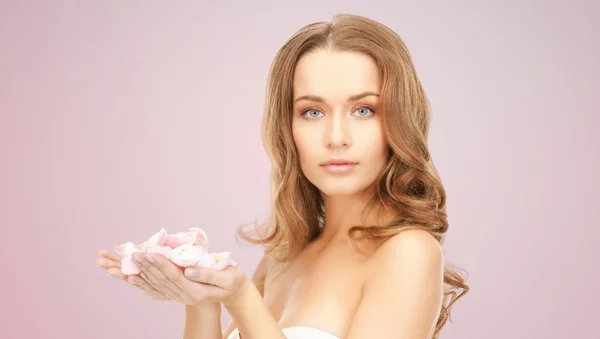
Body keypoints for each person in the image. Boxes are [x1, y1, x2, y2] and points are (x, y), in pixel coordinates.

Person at [95, 13, 469, 339]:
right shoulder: (283, 256)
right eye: (312, 112)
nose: (336, 138)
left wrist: (241, 299)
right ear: (286, 127)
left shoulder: (409, 253)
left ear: (399, 120)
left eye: (364, 110)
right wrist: (201, 303)